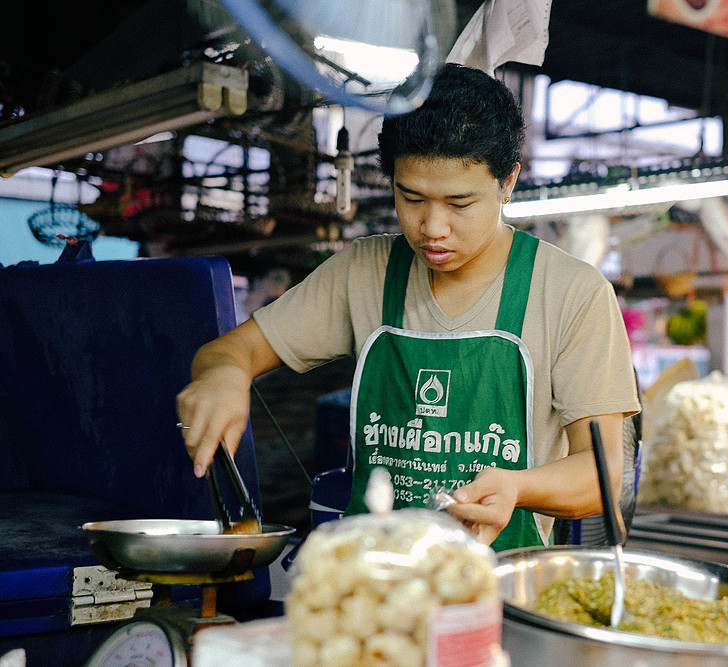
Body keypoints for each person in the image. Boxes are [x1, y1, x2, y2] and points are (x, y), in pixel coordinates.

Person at [176, 63, 640, 550]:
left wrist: (518, 486)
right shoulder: (365, 272)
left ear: (508, 183)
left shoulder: (571, 293)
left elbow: (600, 475)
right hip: (371, 584)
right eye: (411, 197)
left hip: (498, 593)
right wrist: (224, 376)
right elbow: (229, 352)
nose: (432, 227)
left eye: (459, 203)